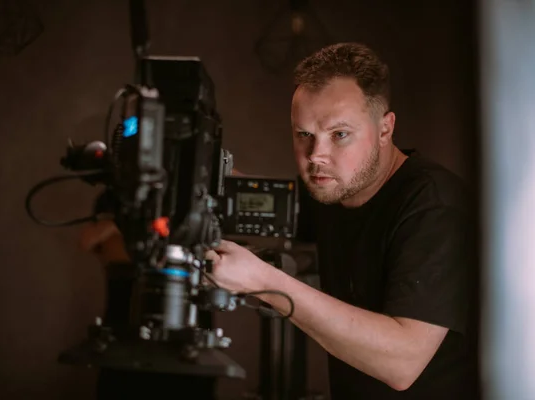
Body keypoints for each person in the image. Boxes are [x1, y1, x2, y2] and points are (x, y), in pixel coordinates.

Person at [80, 42, 479, 399]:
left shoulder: (434, 206)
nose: (316, 155)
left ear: (385, 128)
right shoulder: (334, 187)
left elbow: (402, 364)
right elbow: (255, 203)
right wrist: (175, 168)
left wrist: (266, 283)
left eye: (339, 134)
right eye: (303, 134)